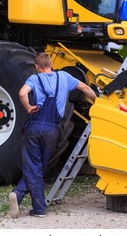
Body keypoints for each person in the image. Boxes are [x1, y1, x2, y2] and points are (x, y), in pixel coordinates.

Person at [9, 52, 97, 219]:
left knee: (34, 166)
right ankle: (32, 204)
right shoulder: (63, 76)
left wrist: (28, 107)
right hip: (52, 130)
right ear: (50, 64)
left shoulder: (34, 79)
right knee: (40, 167)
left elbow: (22, 93)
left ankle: (25, 198)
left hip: (34, 127)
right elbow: (85, 88)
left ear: (37, 67)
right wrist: (99, 103)